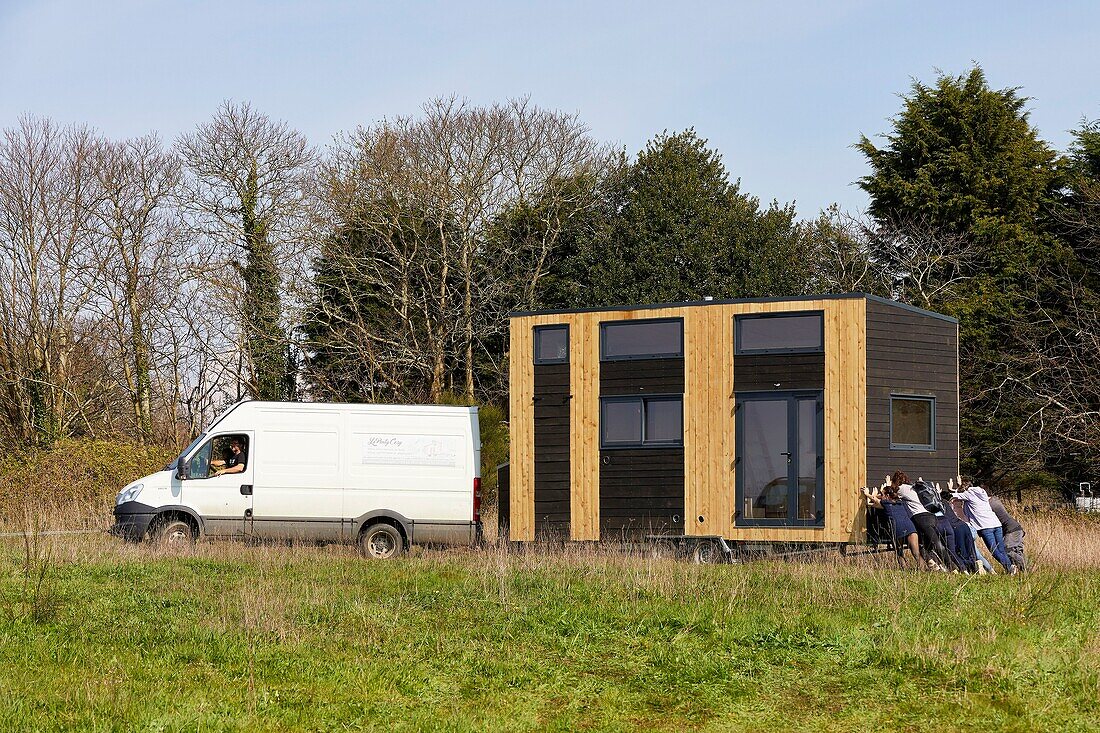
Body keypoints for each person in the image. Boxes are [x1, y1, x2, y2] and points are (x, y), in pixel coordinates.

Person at [950, 476, 1016, 575]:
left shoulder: (970, 494)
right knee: (1001, 550)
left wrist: (953, 488)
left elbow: (953, 496)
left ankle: (1009, 567)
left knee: (994, 551)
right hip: (996, 524)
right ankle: (1009, 569)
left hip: (985, 526)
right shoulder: (982, 493)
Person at [889, 471, 951, 571]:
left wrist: (888, 485)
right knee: (926, 544)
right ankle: (937, 566)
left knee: (931, 544)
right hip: (932, 516)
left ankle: (950, 567)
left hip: (920, 518)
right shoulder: (914, 488)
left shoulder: (902, 489)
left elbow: (888, 495)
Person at [864, 485, 922, 568]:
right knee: (916, 553)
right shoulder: (901, 502)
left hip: (898, 528)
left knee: (899, 552)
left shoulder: (886, 503)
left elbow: (874, 499)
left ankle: (904, 570)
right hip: (910, 527)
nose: (881, 496)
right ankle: (923, 569)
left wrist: (866, 494)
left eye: (882, 494)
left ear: (887, 496)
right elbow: (873, 504)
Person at [988, 494, 1027, 571]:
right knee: (1017, 551)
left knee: (1006, 549)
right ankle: (1023, 571)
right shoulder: (995, 500)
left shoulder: (990, 504)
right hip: (1015, 527)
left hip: (1012, 529)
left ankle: (1026, 567)